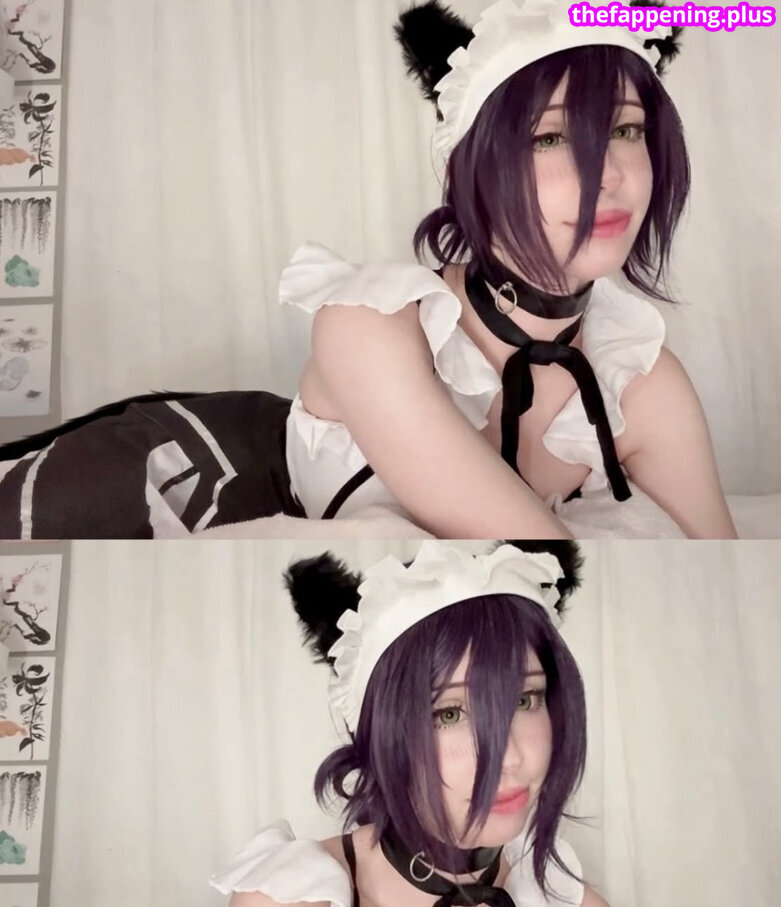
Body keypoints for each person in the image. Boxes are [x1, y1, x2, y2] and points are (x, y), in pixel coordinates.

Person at [0, 0, 737, 540]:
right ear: (475, 167)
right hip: (187, 461)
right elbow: (537, 555)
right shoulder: (370, 321)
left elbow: (723, 583)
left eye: (627, 128)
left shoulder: (643, 382)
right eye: (550, 138)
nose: (608, 173)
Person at [0, 541, 650, 907]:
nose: (508, 755)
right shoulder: (286, 904)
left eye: (525, 700)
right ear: (381, 732)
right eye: (450, 712)